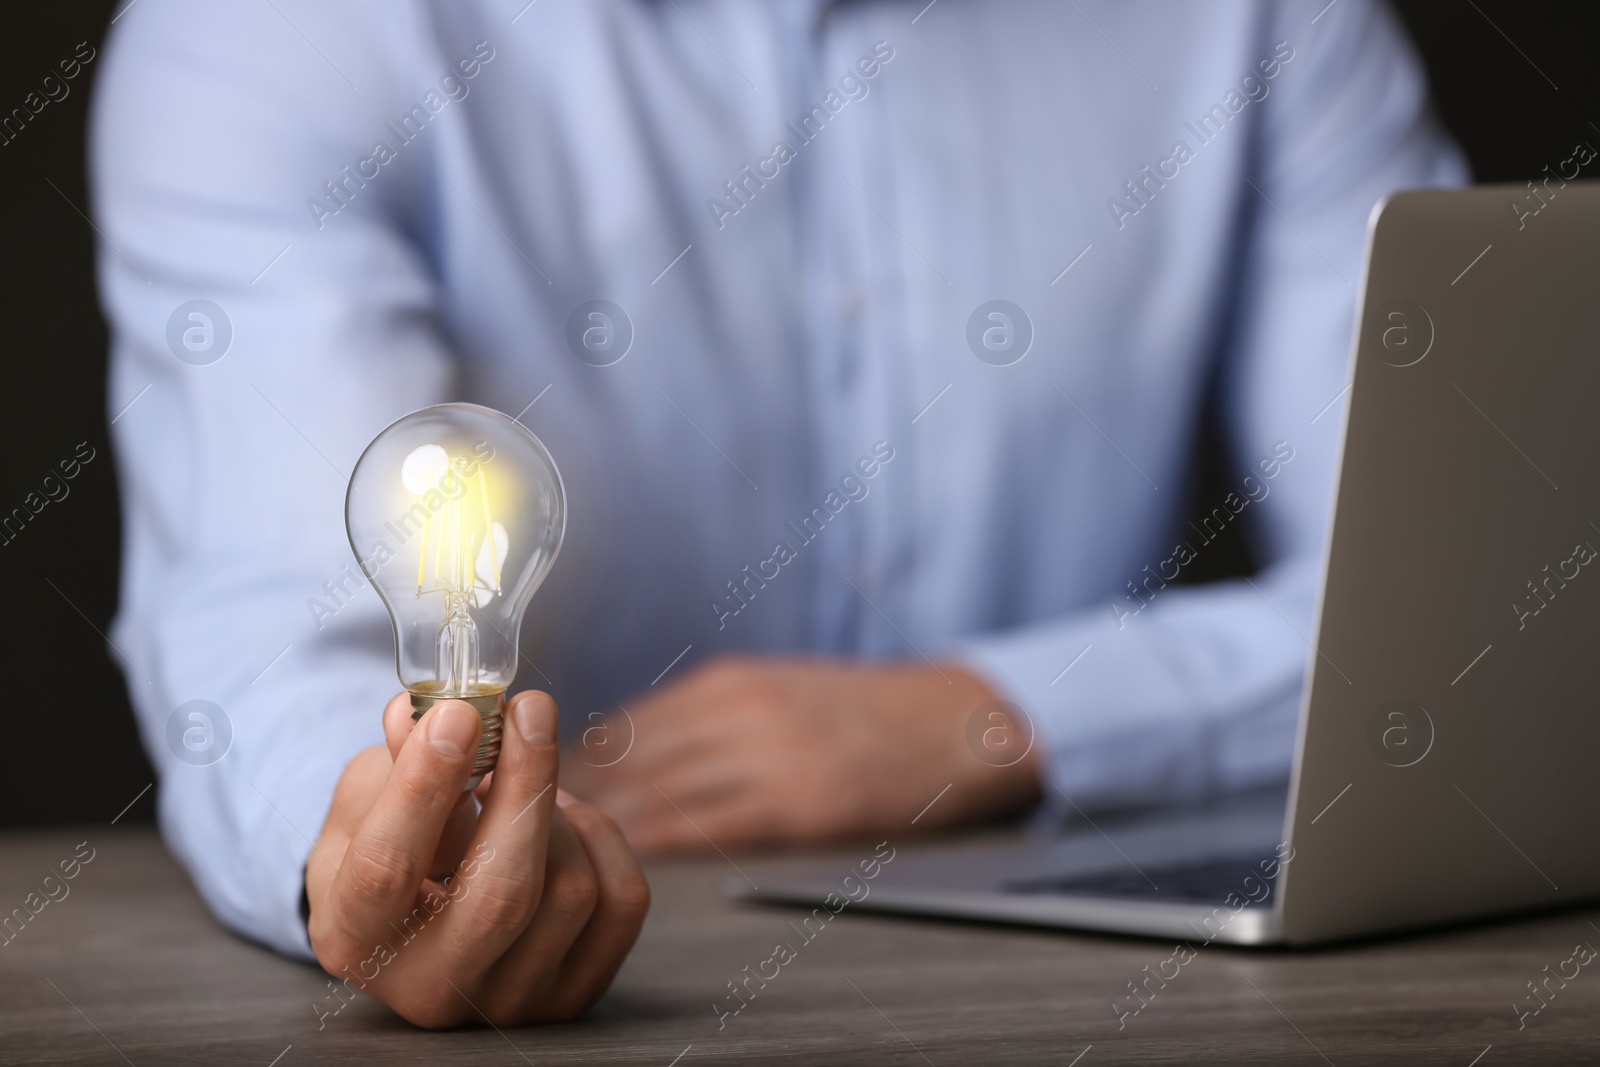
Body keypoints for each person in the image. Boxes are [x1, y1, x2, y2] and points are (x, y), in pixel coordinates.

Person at [93, 0, 1464, 1028]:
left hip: (1083, 1003)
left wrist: (997, 714)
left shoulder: (1266, 22)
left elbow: (1479, 612)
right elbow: (269, 632)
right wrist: (375, 864)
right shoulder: (279, 30)